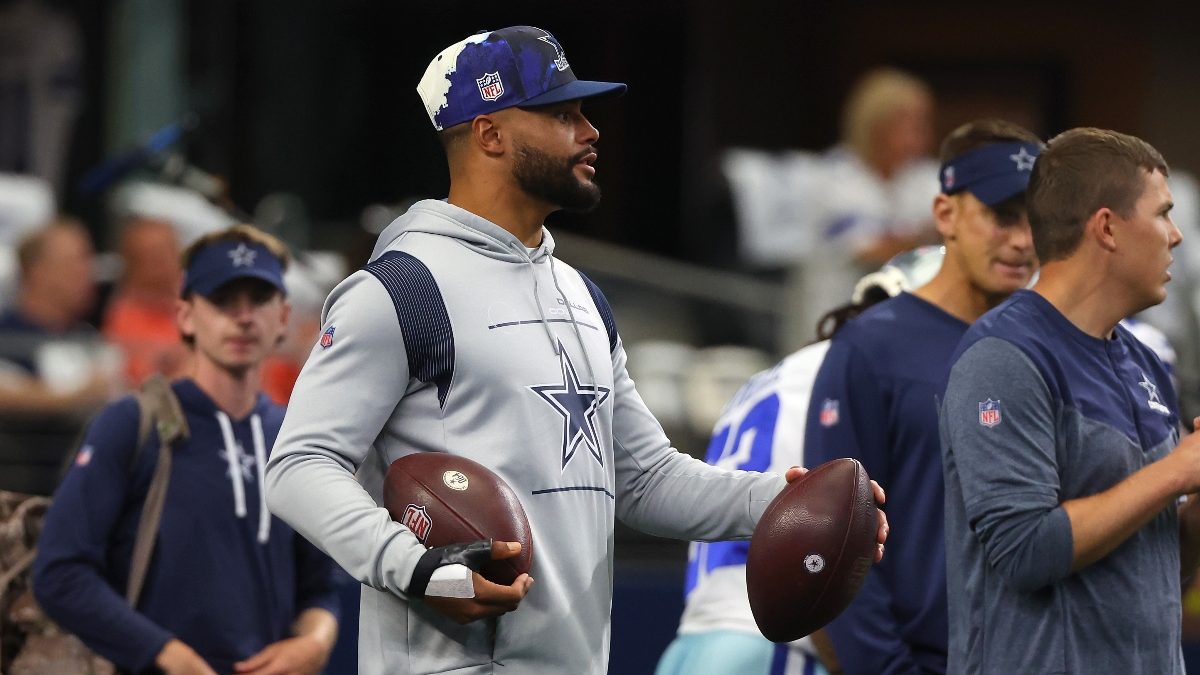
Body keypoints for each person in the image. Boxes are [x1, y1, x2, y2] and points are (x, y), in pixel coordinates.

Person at [264, 25, 886, 675]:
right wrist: (422, 570)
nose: (590, 131)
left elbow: (645, 479)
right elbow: (299, 467)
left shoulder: (581, 294)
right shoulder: (400, 289)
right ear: (490, 134)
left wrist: (791, 504)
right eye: (562, 114)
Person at [940, 127, 1198, 674]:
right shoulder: (1003, 356)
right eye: (1162, 214)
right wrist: (1174, 474)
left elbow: (1156, 571)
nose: (1175, 236)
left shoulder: (1145, 360)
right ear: (1107, 227)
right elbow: (1024, 550)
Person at [33, 224, 339, 674]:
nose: (243, 317)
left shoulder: (294, 435)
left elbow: (322, 585)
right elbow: (59, 572)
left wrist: (314, 642)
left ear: (282, 316)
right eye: (222, 300)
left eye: (259, 299)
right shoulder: (132, 425)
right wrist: (166, 654)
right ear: (185, 316)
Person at [804, 119, 1043, 674]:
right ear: (945, 214)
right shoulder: (872, 345)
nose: (1024, 239)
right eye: (1003, 216)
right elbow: (837, 540)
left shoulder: (1052, 346)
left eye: (1038, 220)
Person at [657, 248, 942, 675]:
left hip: (697, 641)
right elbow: (837, 534)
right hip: (779, 644)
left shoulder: (783, 371)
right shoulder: (860, 376)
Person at [102, 215, 191, 386]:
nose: (166, 262)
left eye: (170, 251)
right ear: (133, 267)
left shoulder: (203, 297)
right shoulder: (124, 321)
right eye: (154, 257)